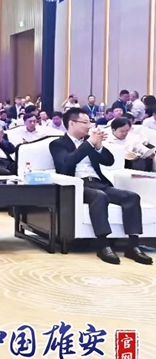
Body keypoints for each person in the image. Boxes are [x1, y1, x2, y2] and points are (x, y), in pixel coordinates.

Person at [50, 108, 151, 265]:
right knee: (99, 196)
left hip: (98, 183)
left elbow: (109, 161)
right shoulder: (57, 144)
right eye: (85, 122)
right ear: (72, 123)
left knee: (131, 197)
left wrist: (99, 146)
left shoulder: (89, 143)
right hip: (77, 186)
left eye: (89, 122)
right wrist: (89, 143)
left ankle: (133, 245)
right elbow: (66, 163)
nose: (89, 126)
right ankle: (103, 245)